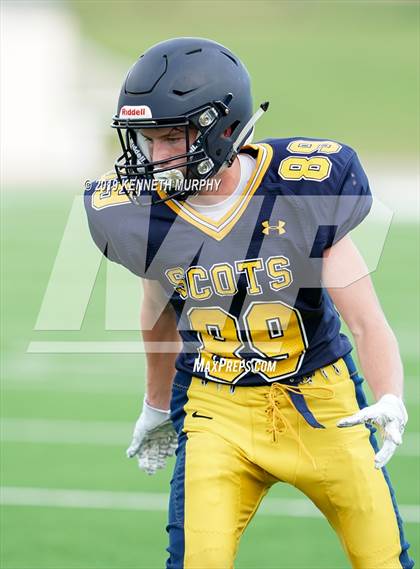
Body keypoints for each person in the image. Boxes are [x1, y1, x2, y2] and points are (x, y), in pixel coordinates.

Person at [84, 37, 414, 569]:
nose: (156, 157)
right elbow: (156, 314)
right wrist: (156, 405)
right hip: (216, 408)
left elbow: (365, 321)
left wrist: (390, 395)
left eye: (171, 137)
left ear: (223, 130)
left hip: (321, 403)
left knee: (383, 561)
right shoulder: (139, 213)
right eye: (148, 139)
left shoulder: (301, 188)